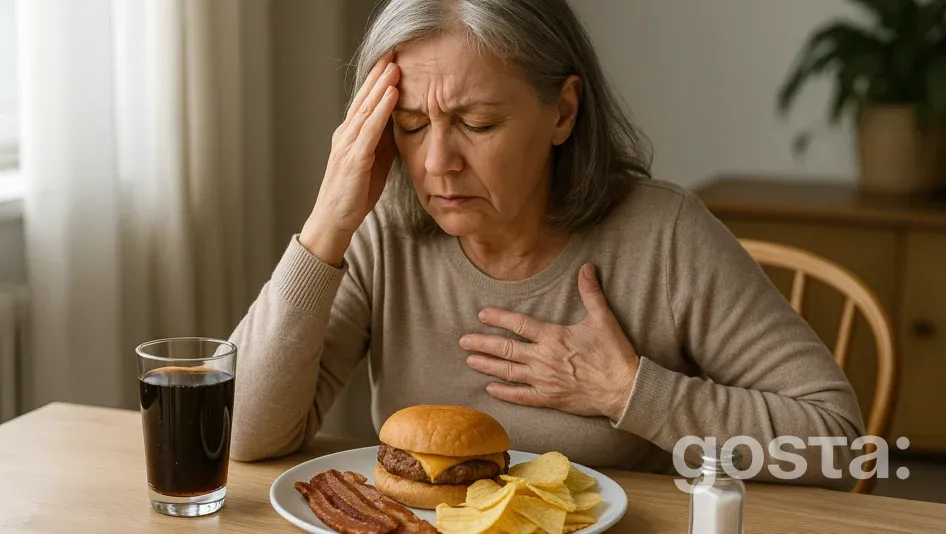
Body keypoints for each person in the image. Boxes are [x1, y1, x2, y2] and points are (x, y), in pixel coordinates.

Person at [228, 0, 864, 490]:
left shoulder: (664, 236)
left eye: (477, 123)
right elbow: (240, 435)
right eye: (411, 125)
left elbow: (839, 448)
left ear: (563, 112)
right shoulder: (383, 228)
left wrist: (629, 392)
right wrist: (326, 227)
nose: (437, 163)